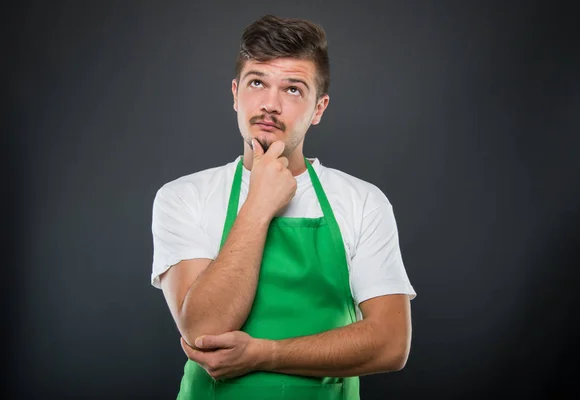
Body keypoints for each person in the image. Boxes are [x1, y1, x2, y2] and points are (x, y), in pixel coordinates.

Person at [151, 14, 417, 400]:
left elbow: (390, 344)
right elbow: (203, 327)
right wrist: (259, 202)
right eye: (257, 82)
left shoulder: (362, 202)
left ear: (319, 108)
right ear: (235, 94)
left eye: (293, 89)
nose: (270, 104)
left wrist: (267, 354)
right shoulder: (184, 196)